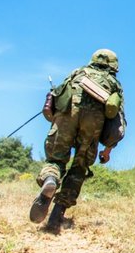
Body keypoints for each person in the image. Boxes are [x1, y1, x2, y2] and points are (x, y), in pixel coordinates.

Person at [30, 49, 125, 232]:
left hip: (66, 116)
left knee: (56, 159)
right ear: (113, 66)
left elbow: (57, 98)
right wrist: (107, 150)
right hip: (93, 124)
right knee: (79, 167)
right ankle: (56, 216)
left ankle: (50, 179)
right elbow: (117, 122)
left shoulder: (77, 73)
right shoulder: (114, 84)